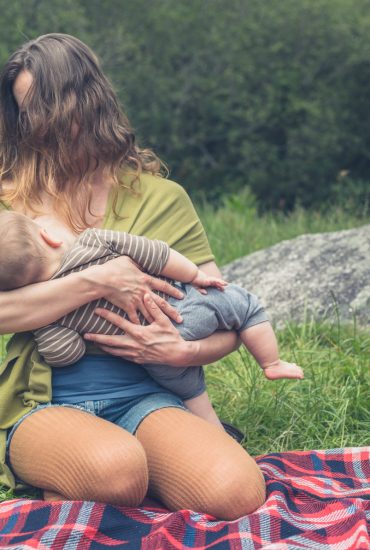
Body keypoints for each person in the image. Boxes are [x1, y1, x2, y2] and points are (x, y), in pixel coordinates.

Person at [0, 33, 266, 520]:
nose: (35, 126)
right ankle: (82, 472)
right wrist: (95, 282)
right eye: (24, 114)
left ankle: (99, 489)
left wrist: (184, 352)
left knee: (237, 494)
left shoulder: (162, 199)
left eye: (45, 108)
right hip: (44, 398)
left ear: (87, 100)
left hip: (147, 392)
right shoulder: (7, 204)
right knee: (118, 473)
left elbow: (226, 310)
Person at [0, 212, 304, 425]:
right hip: (185, 306)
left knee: (190, 391)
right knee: (246, 307)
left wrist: (39, 318)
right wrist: (194, 275)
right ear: (48, 237)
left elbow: (65, 354)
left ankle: (213, 429)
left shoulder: (53, 311)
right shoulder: (93, 241)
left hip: (150, 349)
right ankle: (271, 363)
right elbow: (154, 253)